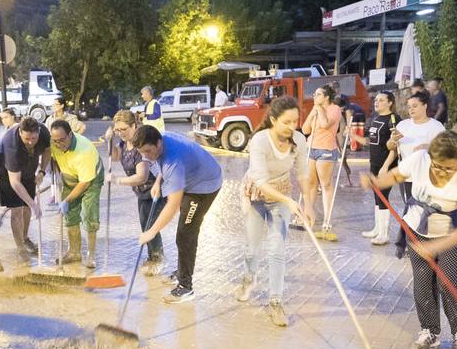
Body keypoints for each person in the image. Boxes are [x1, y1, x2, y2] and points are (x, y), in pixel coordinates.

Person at [364, 131, 457, 349]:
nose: (443, 172)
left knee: (451, 283)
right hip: (417, 230)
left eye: (449, 168)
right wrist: (375, 182)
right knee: (423, 283)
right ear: (430, 158)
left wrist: (436, 247)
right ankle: (430, 332)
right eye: (438, 166)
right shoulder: (419, 159)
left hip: (450, 235)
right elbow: (396, 176)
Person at [237, 96, 306, 327]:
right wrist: (289, 200)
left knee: (277, 250)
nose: (291, 127)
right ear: (273, 119)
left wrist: (308, 205)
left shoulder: (298, 140)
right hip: (257, 195)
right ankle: (248, 277)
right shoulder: (259, 140)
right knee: (252, 248)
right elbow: (261, 182)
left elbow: (302, 174)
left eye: (295, 121)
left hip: (281, 198)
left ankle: (275, 302)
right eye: (286, 122)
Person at [134, 126, 223, 304]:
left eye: (148, 151)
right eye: (142, 152)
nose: (146, 156)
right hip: (190, 178)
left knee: (185, 234)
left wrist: (151, 232)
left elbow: (172, 205)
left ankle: (185, 286)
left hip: (205, 185)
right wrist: (159, 181)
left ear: (158, 143)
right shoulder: (160, 139)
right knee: (184, 230)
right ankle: (182, 271)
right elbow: (160, 163)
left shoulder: (173, 162)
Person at [109, 110, 165, 275]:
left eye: (124, 129)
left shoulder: (141, 146)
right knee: (145, 224)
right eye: (117, 130)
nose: (120, 133)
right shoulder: (124, 143)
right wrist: (111, 140)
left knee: (151, 225)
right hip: (141, 193)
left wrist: (117, 180)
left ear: (133, 126)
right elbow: (115, 157)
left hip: (156, 189)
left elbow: (141, 177)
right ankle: (152, 257)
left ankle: (157, 260)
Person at [49, 119, 104, 268]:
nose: (59, 144)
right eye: (55, 141)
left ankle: (91, 254)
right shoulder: (53, 143)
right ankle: (74, 252)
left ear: (70, 135)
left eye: (62, 140)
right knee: (70, 215)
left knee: (89, 214)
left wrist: (66, 200)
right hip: (69, 176)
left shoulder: (83, 150)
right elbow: (52, 158)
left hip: (91, 179)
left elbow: (84, 183)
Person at [0, 116, 51, 260]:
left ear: (38, 132)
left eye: (34, 138)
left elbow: (47, 151)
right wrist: (34, 205)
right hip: (7, 171)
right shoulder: (11, 145)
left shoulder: (44, 132)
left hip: (29, 166)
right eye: (27, 139)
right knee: (17, 209)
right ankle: (20, 247)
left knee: (26, 207)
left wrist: (42, 171)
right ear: (20, 132)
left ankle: (25, 238)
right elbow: (15, 182)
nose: (31, 142)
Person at [355, 91, 399, 245]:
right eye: (376, 100)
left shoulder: (393, 119)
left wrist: (386, 166)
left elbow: (395, 146)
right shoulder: (376, 118)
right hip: (374, 162)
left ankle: (384, 234)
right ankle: (377, 228)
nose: (377, 102)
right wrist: (353, 136)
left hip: (386, 164)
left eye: (381, 100)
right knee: (376, 196)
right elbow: (369, 141)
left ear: (390, 103)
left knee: (383, 197)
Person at [388, 91, 445, 206]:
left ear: (425, 106)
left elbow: (445, 151)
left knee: (426, 210)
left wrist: (429, 147)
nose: (411, 109)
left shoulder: (436, 126)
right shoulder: (402, 125)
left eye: (415, 106)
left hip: (427, 178)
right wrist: (393, 140)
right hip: (406, 177)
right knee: (410, 209)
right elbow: (390, 147)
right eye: (409, 107)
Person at [301, 85, 342, 240]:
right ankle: (308, 214)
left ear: (326, 97)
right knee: (311, 184)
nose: (314, 96)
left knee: (325, 185)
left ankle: (327, 219)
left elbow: (325, 124)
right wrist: (312, 113)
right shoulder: (315, 109)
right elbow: (305, 130)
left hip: (326, 149)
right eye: (314, 93)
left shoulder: (334, 109)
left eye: (318, 94)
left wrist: (318, 110)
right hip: (311, 148)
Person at [338, 93, 365, 186]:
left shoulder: (346, 105)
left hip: (340, 133)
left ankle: (349, 179)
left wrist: (348, 130)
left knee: (342, 157)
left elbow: (349, 119)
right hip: (332, 133)